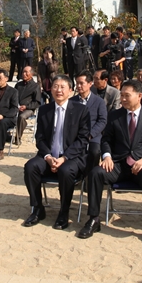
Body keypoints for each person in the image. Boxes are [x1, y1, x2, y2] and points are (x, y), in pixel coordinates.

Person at [78, 79, 142, 247]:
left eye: (127, 95)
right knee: (95, 173)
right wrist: (107, 156)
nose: (123, 99)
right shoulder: (115, 115)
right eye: (122, 95)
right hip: (118, 164)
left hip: (141, 165)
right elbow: (106, 140)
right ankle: (94, 219)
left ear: (139, 96)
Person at [23, 74, 91, 229]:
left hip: (72, 158)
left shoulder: (81, 110)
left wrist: (64, 158)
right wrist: (48, 157)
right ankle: (37, 208)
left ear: (70, 91)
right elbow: (40, 138)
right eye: (55, 86)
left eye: (62, 87)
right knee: (30, 167)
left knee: (66, 171)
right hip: (49, 155)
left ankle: (64, 212)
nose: (58, 90)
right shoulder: (44, 110)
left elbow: (82, 140)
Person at [71, 70, 107, 170]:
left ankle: (91, 174)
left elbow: (102, 120)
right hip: (75, 135)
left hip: (92, 135)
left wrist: (90, 134)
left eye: (81, 83)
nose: (78, 86)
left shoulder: (99, 101)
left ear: (90, 84)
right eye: (77, 83)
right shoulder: (71, 101)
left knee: (95, 152)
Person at [15, 66, 41, 144]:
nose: (24, 74)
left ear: (31, 74)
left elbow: (37, 102)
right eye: (23, 72)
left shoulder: (36, 86)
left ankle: (17, 137)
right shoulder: (18, 85)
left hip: (29, 109)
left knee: (22, 117)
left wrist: (26, 106)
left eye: (26, 72)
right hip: (17, 107)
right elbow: (13, 97)